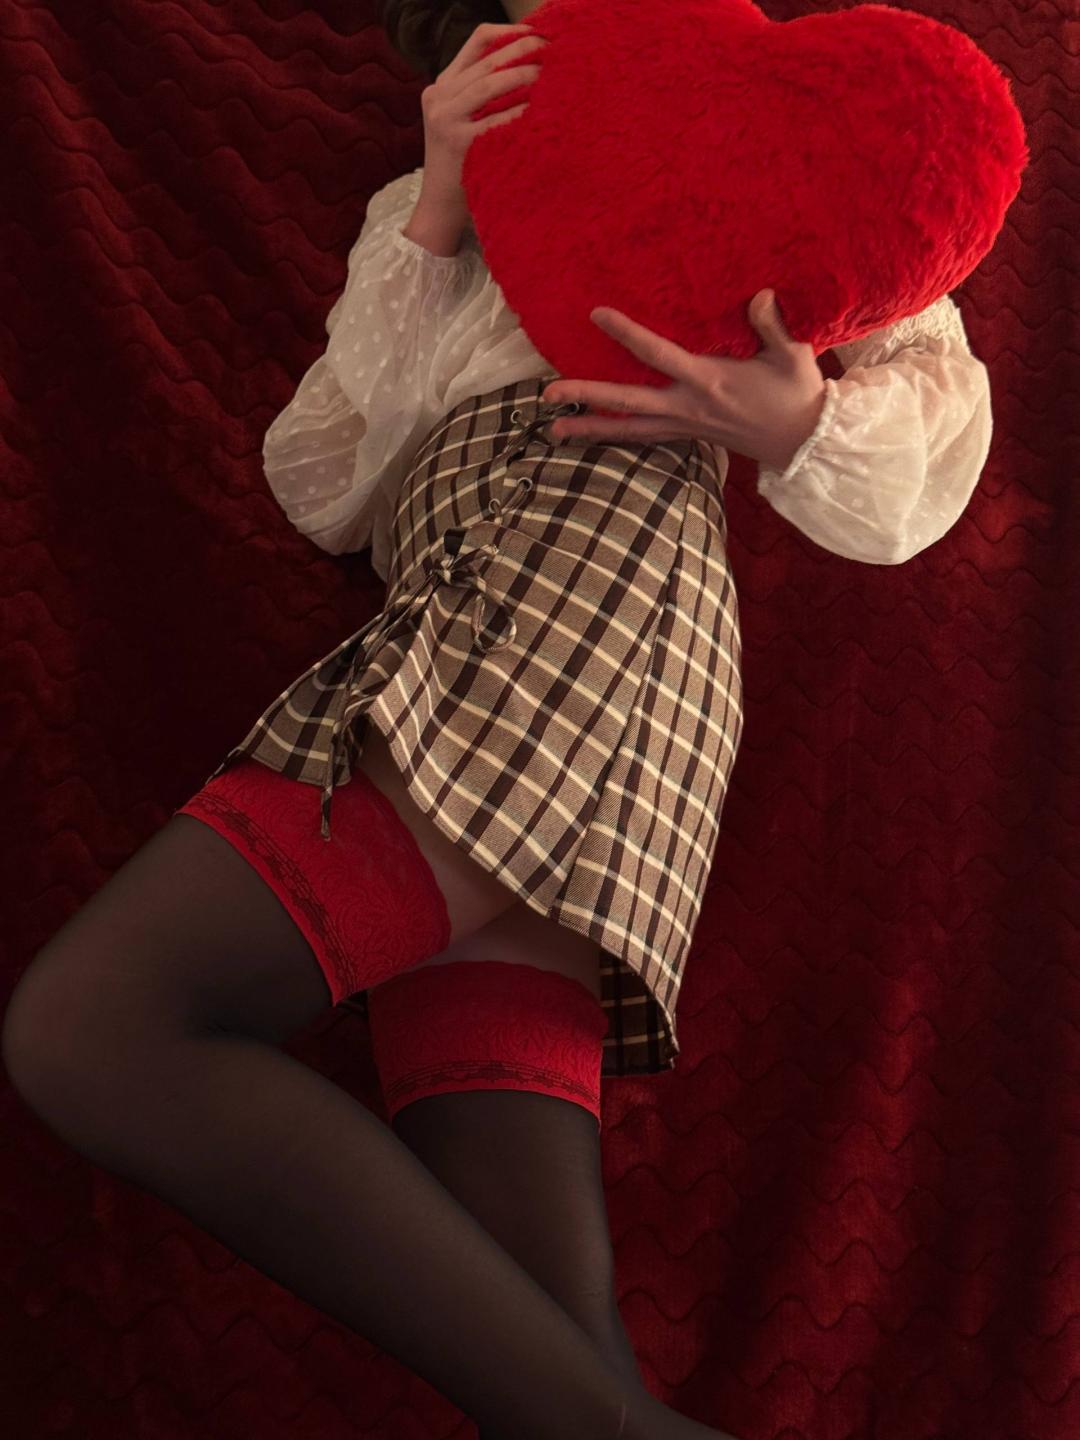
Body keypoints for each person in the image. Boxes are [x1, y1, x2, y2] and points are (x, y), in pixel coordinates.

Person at [1, 6, 993, 1439]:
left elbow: (930, 436)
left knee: (95, 1027)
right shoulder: (422, 198)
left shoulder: (751, 136)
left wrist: (794, 426)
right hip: (454, 601)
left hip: (590, 588)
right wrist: (443, 202)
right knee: (552, 1346)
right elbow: (323, 483)